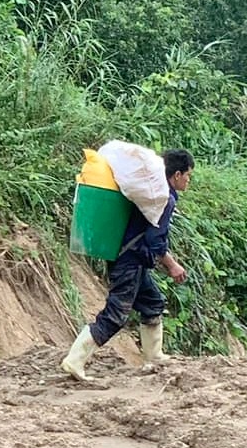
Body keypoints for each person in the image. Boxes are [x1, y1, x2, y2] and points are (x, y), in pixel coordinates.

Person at [62, 149, 193, 380]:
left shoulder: (153, 192)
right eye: (187, 175)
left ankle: (154, 356)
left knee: (152, 302)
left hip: (130, 258)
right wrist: (172, 265)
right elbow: (155, 240)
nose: (188, 180)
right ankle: (75, 360)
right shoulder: (163, 198)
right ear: (176, 175)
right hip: (130, 262)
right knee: (116, 314)